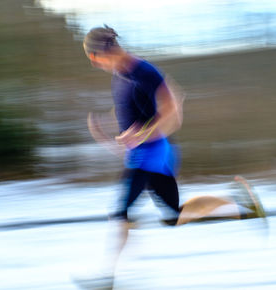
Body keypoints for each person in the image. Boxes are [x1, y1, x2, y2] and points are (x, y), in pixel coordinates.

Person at [81, 25, 263, 285]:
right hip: (143, 154)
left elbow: (174, 114)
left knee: (121, 213)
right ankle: (243, 208)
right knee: (172, 216)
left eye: (93, 60)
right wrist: (110, 130)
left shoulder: (144, 72)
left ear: (100, 52)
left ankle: (109, 278)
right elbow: (130, 111)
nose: (95, 65)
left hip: (153, 153)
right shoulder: (119, 75)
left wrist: (140, 135)